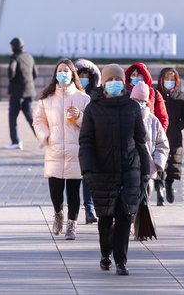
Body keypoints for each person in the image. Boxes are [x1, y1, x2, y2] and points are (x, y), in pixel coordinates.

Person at [79, 64, 149, 276]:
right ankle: (105, 254)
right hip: (102, 173)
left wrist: (145, 171)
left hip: (129, 172)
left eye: (117, 80)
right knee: (106, 219)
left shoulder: (132, 108)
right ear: (104, 84)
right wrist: (88, 170)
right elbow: (86, 142)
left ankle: (121, 260)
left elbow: (140, 141)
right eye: (109, 81)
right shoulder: (93, 108)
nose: (113, 84)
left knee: (124, 217)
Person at [33, 59, 90, 240]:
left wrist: (79, 116)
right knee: (55, 191)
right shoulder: (46, 98)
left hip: (75, 152)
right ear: (55, 74)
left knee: (74, 192)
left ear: (73, 74)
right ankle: (58, 214)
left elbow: (91, 125)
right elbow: (38, 121)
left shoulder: (83, 98)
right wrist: (45, 136)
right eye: (60, 70)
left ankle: (72, 225)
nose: (63, 73)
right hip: (54, 150)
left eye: (66, 70)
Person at [130, 81, 170, 206]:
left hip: (148, 166)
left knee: (145, 196)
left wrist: (157, 162)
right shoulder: (125, 117)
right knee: (130, 197)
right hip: (129, 165)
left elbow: (162, 143)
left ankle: (141, 219)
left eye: (142, 101)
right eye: (136, 100)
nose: (139, 104)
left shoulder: (153, 121)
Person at [156, 68, 184, 203]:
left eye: (171, 79)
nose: (168, 81)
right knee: (159, 164)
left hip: (175, 138)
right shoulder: (156, 94)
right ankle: (159, 191)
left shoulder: (180, 96)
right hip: (159, 136)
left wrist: (179, 126)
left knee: (172, 165)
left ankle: (169, 185)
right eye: (166, 78)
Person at [74, 58, 101, 224]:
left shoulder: (96, 95)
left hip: (91, 142)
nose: (84, 78)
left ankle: (89, 209)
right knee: (73, 179)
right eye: (80, 75)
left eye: (86, 75)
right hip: (72, 141)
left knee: (87, 176)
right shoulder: (70, 95)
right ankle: (72, 210)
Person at [5, 37, 38, 150]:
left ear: (14, 47)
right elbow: (35, 73)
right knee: (30, 117)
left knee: (13, 117)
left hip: (17, 93)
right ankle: (42, 139)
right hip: (29, 91)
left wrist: (11, 79)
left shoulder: (14, 58)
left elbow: (11, 71)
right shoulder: (29, 57)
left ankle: (15, 142)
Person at [124, 62, 169, 131]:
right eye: (133, 75)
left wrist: (158, 135)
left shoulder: (154, 94)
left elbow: (163, 118)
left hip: (150, 135)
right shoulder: (124, 94)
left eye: (139, 75)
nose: (136, 77)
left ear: (145, 76)